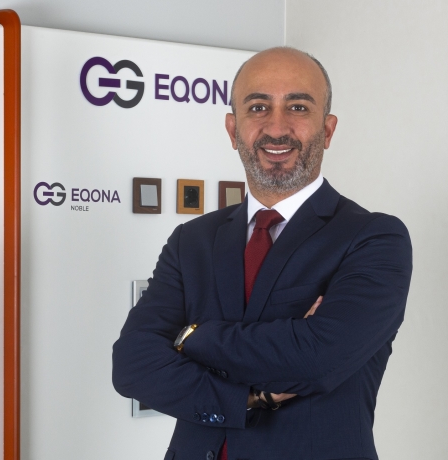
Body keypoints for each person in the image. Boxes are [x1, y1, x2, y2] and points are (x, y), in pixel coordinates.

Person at [112, 47, 413, 460]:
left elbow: (319, 358)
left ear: (327, 130)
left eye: (298, 107)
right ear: (233, 129)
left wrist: (190, 337)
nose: (277, 126)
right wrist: (252, 397)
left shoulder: (372, 238)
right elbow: (132, 365)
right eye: (258, 107)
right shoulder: (191, 240)